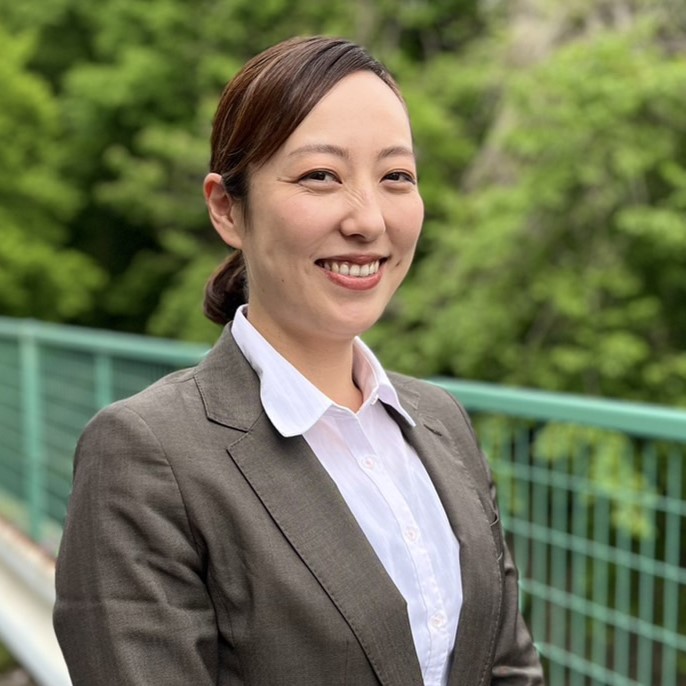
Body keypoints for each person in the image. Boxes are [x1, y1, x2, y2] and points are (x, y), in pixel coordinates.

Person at [53, 36, 544, 686]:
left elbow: (507, 665)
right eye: (320, 176)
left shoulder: (440, 420)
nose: (369, 220)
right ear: (227, 208)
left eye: (396, 177)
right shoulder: (148, 456)